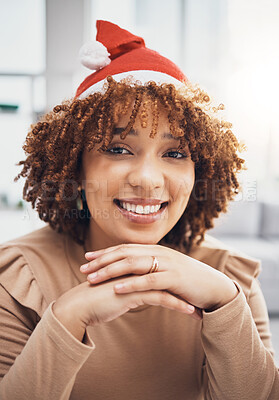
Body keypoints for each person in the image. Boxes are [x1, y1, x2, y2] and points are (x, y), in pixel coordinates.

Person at [0, 20, 278, 400]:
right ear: (76, 168)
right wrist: (67, 318)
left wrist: (224, 306)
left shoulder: (229, 281)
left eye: (176, 153)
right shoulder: (18, 277)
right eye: (118, 149)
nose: (148, 180)